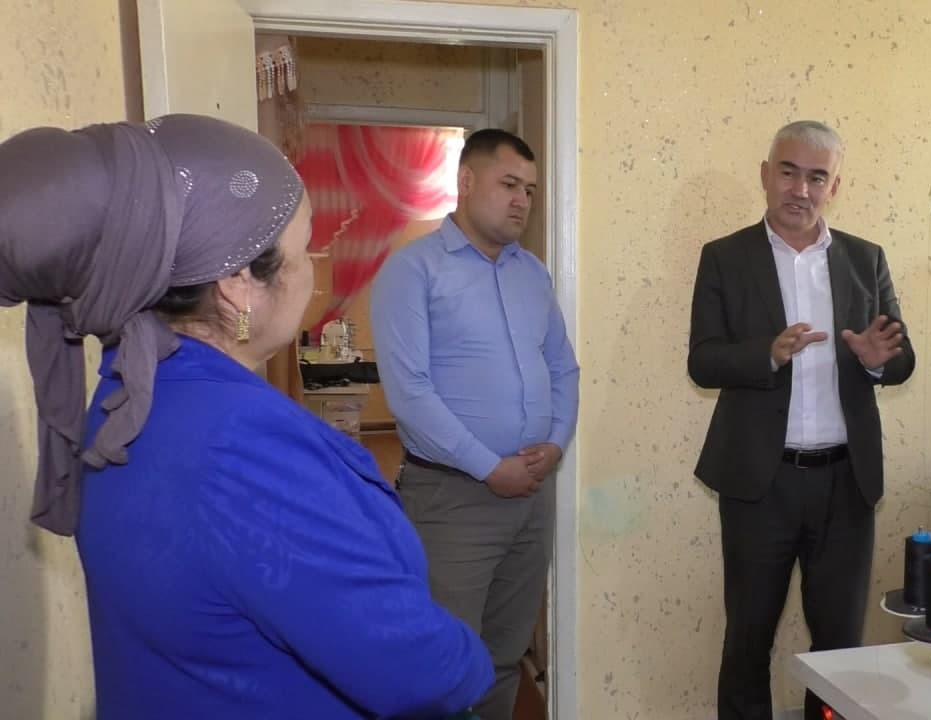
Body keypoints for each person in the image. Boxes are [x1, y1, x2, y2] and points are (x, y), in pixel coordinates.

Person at [0, 114, 493, 719]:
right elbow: (416, 670)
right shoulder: (244, 445)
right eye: (304, 248)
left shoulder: (126, 394)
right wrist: (472, 664)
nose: (312, 271)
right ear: (238, 283)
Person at [688, 120, 916, 720]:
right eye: (788, 172)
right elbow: (703, 360)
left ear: (834, 186)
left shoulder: (866, 258)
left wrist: (875, 361)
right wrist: (766, 353)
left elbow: (902, 358)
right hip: (758, 485)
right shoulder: (725, 257)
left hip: (846, 483)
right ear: (766, 175)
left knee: (840, 648)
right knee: (747, 641)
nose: (800, 189)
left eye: (817, 177)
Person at [371, 128, 580, 720]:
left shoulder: (531, 273)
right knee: (443, 664)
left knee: (504, 657)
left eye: (530, 190)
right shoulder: (413, 270)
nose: (522, 200)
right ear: (466, 180)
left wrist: (555, 445)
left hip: (531, 495)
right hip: (453, 498)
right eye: (509, 184)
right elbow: (410, 394)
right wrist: (490, 468)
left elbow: (563, 368)